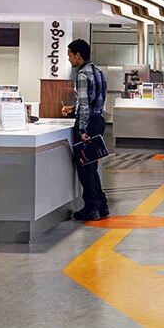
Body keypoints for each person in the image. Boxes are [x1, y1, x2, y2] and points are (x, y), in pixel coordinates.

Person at [62, 39, 109, 221]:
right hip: (99, 121)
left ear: (78, 55)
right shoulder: (99, 72)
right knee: (92, 166)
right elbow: (96, 100)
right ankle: (102, 205)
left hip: (87, 124)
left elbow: (84, 105)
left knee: (85, 169)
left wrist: (82, 129)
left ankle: (91, 208)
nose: (69, 59)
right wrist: (72, 108)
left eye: (70, 55)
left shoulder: (82, 75)